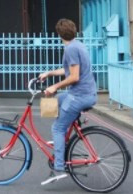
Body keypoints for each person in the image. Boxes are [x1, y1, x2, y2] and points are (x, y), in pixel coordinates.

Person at [38, 19, 97, 185]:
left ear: (59, 35)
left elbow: (74, 76)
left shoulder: (70, 49)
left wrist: (54, 86)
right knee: (53, 102)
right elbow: (67, 71)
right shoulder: (77, 45)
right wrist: (48, 74)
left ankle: (58, 167)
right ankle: (61, 140)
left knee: (56, 127)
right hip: (82, 93)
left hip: (80, 96)